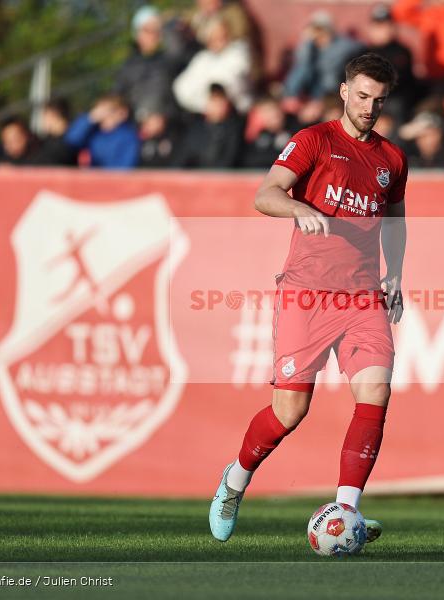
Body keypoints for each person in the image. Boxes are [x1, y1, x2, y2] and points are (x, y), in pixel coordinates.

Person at [209, 53, 408, 545]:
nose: (368, 107)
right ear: (344, 92)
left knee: (376, 392)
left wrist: (396, 273)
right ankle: (234, 481)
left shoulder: (391, 159)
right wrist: (298, 208)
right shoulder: (314, 141)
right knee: (290, 413)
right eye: (361, 96)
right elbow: (266, 194)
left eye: (378, 100)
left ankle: (346, 513)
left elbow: (396, 223)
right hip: (307, 293)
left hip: (362, 296)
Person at [172, 15, 253, 114]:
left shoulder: (239, 51)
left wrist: (218, 100)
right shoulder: (202, 59)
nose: (220, 39)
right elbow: (182, 89)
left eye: (223, 34)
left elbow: (233, 82)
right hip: (210, 116)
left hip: (239, 113)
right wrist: (206, 104)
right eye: (215, 36)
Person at [113, 5, 181, 122]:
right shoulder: (128, 66)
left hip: (170, 124)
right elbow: (118, 97)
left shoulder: (170, 59)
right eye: (148, 29)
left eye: (157, 29)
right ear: (138, 34)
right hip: (139, 126)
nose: (153, 34)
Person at [282, 11, 364, 102]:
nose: (319, 34)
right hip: (311, 91)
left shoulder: (340, 46)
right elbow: (301, 69)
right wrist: (307, 43)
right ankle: (289, 97)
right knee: (302, 68)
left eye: (322, 30)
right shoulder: (310, 47)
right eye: (316, 30)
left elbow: (358, 46)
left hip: (330, 94)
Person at [64, 94, 141, 169]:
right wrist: (89, 119)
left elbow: (126, 166)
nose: (104, 114)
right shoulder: (93, 132)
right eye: (100, 110)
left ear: (123, 113)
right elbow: (72, 140)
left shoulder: (128, 136)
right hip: (92, 178)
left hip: (112, 179)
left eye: (110, 110)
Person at [29, 99, 78, 167]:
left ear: (53, 115)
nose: (42, 121)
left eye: (44, 116)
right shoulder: (48, 140)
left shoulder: (68, 142)